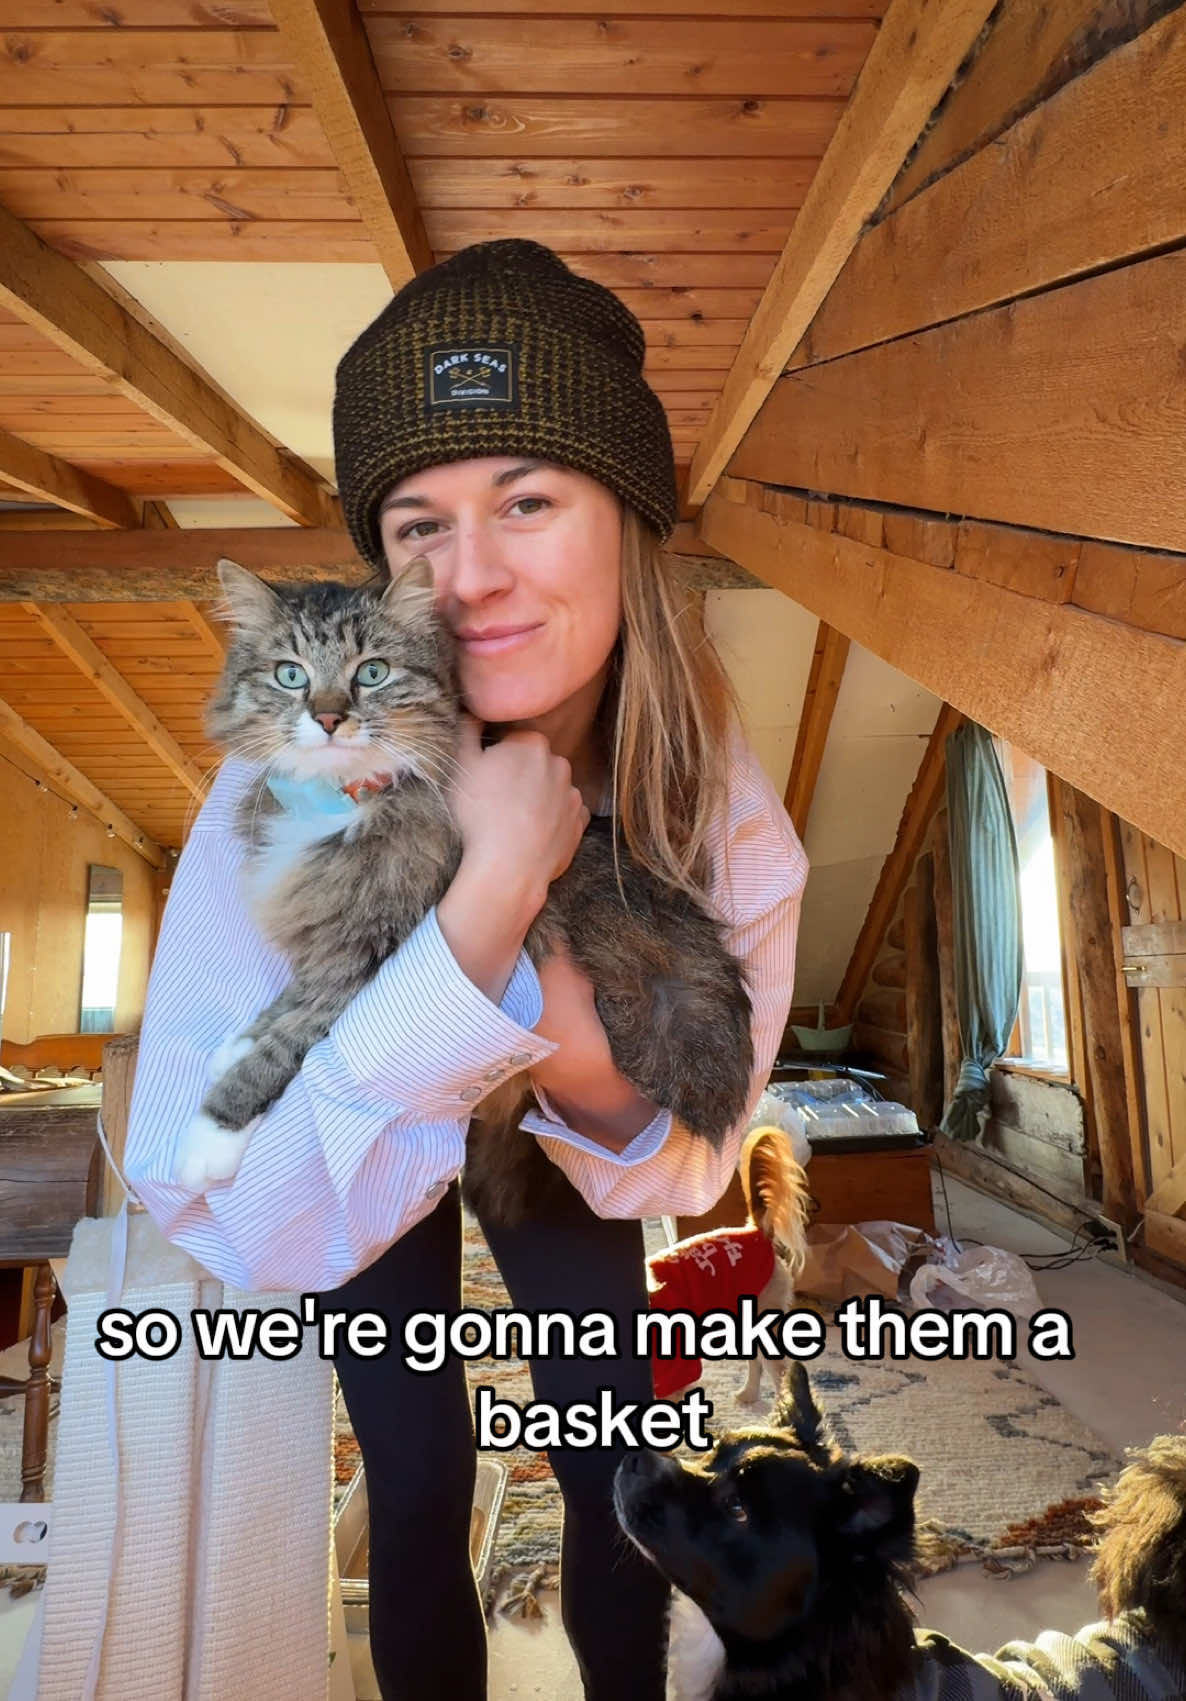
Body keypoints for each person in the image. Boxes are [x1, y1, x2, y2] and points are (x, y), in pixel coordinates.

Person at [124, 240, 808, 1701]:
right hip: (356, 1128)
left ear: (625, 518)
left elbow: (689, 1162)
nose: (471, 576)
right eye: (419, 523)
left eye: (528, 500)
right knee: (417, 1471)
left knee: (616, 1458)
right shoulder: (290, 773)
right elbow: (232, 1199)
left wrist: (556, 1025)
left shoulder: (716, 798)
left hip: (547, 1142)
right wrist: (485, 899)